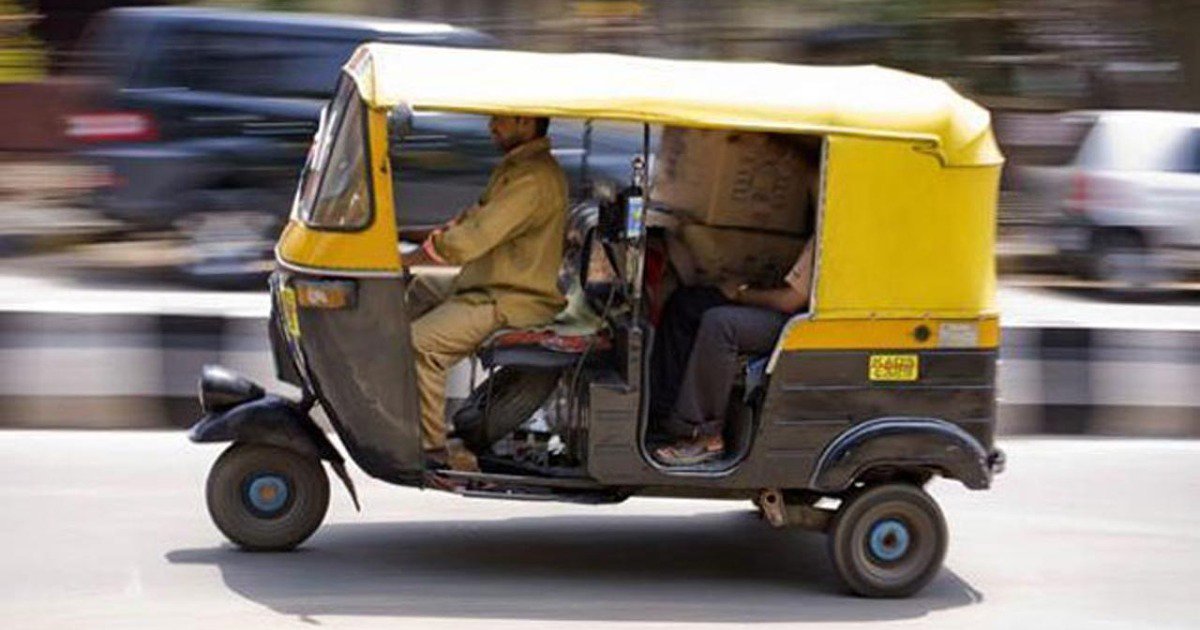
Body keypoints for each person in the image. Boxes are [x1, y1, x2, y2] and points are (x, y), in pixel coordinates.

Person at [401, 115, 568, 469]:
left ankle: (430, 449)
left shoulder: (532, 179)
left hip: (513, 298)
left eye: (501, 119)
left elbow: (472, 238)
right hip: (491, 282)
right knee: (423, 286)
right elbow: (467, 222)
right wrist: (402, 236)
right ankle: (398, 392)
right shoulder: (517, 168)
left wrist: (406, 258)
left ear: (525, 123)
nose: (492, 126)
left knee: (421, 345)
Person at [651, 236, 816, 466]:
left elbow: (789, 301)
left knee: (721, 324)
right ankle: (663, 412)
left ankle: (706, 435)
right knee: (687, 304)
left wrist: (741, 294)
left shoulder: (836, 229)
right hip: (794, 311)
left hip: (805, 323)